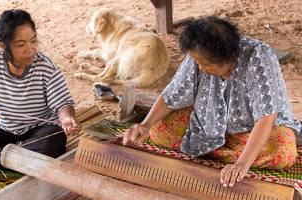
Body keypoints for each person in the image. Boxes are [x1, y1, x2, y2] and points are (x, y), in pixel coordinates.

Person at [122, 16, 302, 188]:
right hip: (209, 125)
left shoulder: (259, 56)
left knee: (283, 151)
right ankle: (222, 150)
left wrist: (242, 164)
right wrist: (145, 125)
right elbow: (172, 94)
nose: (201, 67)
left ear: (229, 56)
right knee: (160, 130)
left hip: (253, 131)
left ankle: (217, 152)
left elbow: (266, 117)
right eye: (198, 63)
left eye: (206, 64)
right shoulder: (199, 51)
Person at [0, 9, 81, 167]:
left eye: (33, 40)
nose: (30, 48)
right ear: (3, 46)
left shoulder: (45, 66)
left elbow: (62, 103)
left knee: (51, 141)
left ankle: (5, 159)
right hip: (7, 131)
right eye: (21, 44)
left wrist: (66, 118)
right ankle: (17, 160)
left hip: (41, 131)